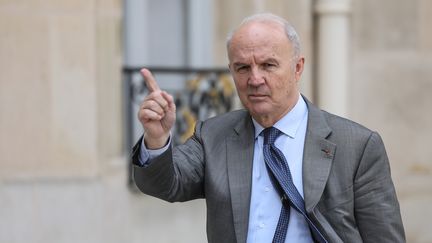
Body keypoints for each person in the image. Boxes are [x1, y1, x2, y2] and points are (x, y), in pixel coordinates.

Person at [132, 13, 405, 243]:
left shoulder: (357, 146)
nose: (255, 79)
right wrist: (156, 138)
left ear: (297, 68)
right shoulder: (214, 135)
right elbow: (167, 184)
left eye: (268, 65)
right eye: (242, 68)